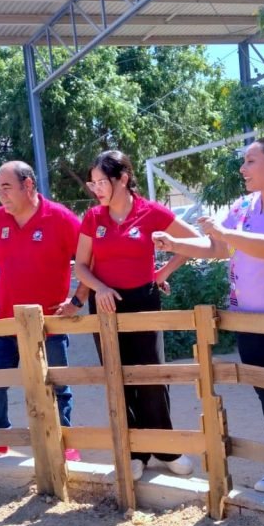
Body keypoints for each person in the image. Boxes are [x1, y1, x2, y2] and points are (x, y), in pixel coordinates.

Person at [152, 136, 264, 493]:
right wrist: (176, 244)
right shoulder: (245, 205)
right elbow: (218, 246)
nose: (242, 169)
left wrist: (227, 233)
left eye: (250, 161)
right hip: (249, 321)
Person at [73, 150, 199, 481]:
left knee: (152, 377)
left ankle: (167, 448)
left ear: (123, 179)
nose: (97, 189)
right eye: (93, 182)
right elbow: (81, 266)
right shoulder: (93, 218)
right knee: (118, 377)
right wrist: (98, 288)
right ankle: (135, 452)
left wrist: (164, 271)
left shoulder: (151, 212)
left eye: (103, 181)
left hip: (144, 300)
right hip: (105, 304)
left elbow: (195, 241)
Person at [0, 160, 89, 461]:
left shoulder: (60, 218)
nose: (1, 195)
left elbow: (89, 259)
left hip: (50, 322)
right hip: (4, 320)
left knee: (56, 384)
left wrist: (77, 300)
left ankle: (63, 441)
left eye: (7, 187)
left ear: (29, 185)